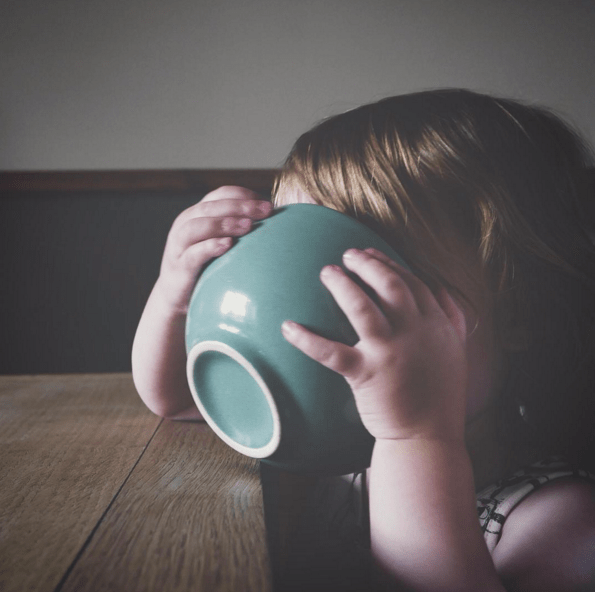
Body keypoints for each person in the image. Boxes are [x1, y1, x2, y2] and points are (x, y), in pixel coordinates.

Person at [132, 89, 594, 591]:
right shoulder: (334, 426)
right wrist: (175, 294)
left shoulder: (560, 528)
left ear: (519, 307)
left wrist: (415, 437)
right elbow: (182, 398)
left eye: (378, 276)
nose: (334, 300)